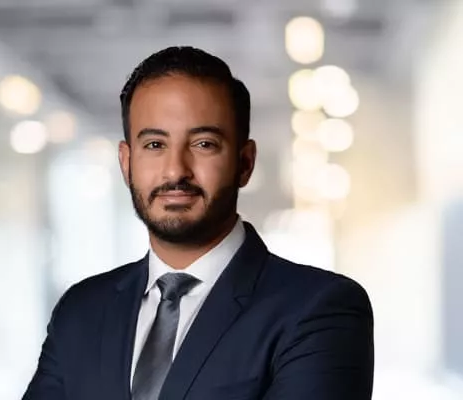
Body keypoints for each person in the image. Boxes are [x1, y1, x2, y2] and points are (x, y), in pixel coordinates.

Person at [22, 46, 374, 400]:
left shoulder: (319, 308)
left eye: (204, 144)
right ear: (126, 163)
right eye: (155, 144)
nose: (176, 170)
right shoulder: (81, 310)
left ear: (245, 163)